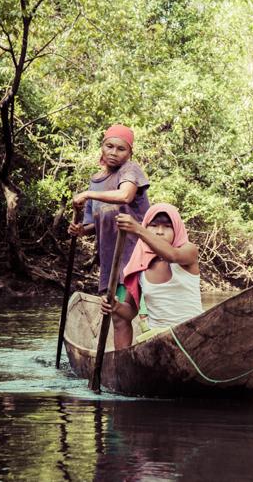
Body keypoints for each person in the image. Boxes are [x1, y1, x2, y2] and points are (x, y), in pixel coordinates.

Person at [69, 124, 150, 345]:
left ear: (130, 153)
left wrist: (86, 194)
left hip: (135, 257)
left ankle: (126, 363)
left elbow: (125, 196)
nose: (114, 152)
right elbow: (92, 224)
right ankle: (119, 364)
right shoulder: (95, 182)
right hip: (110, 260)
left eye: (121, 149)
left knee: (123, 315)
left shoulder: (130, 170)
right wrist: (80, 230)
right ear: (102, 148)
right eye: (109, 146)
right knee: (115, 316)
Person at [101, 203, 202, 350]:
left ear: (177, 230)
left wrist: (138, 229)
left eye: (167, 226)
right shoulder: (139, 263)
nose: (160, 231)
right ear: (147, 227)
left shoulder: (188, 251)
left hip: (194, 334)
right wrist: (115, 306)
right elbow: (130, 312)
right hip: (160, 342)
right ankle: (120, 363)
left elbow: (173, 256)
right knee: (118, 316)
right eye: (153, 225)